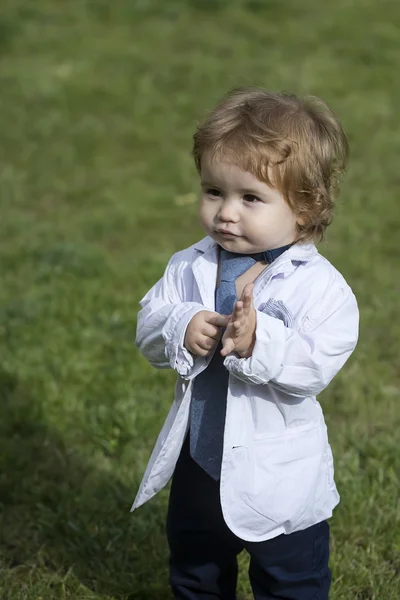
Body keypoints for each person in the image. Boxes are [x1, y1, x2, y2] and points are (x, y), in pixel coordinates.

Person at [131, 87, 359, 600]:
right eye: (214, 192)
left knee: (291, 580)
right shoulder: (188, 266)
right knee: (196, 569)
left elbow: (315, 365)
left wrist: (261, 341)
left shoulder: (319, 287)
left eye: (250, 197)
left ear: (305, 207)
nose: (225, 213)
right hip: (199, 459)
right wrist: (181, 324)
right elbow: (148, 328)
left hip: (277, 475)